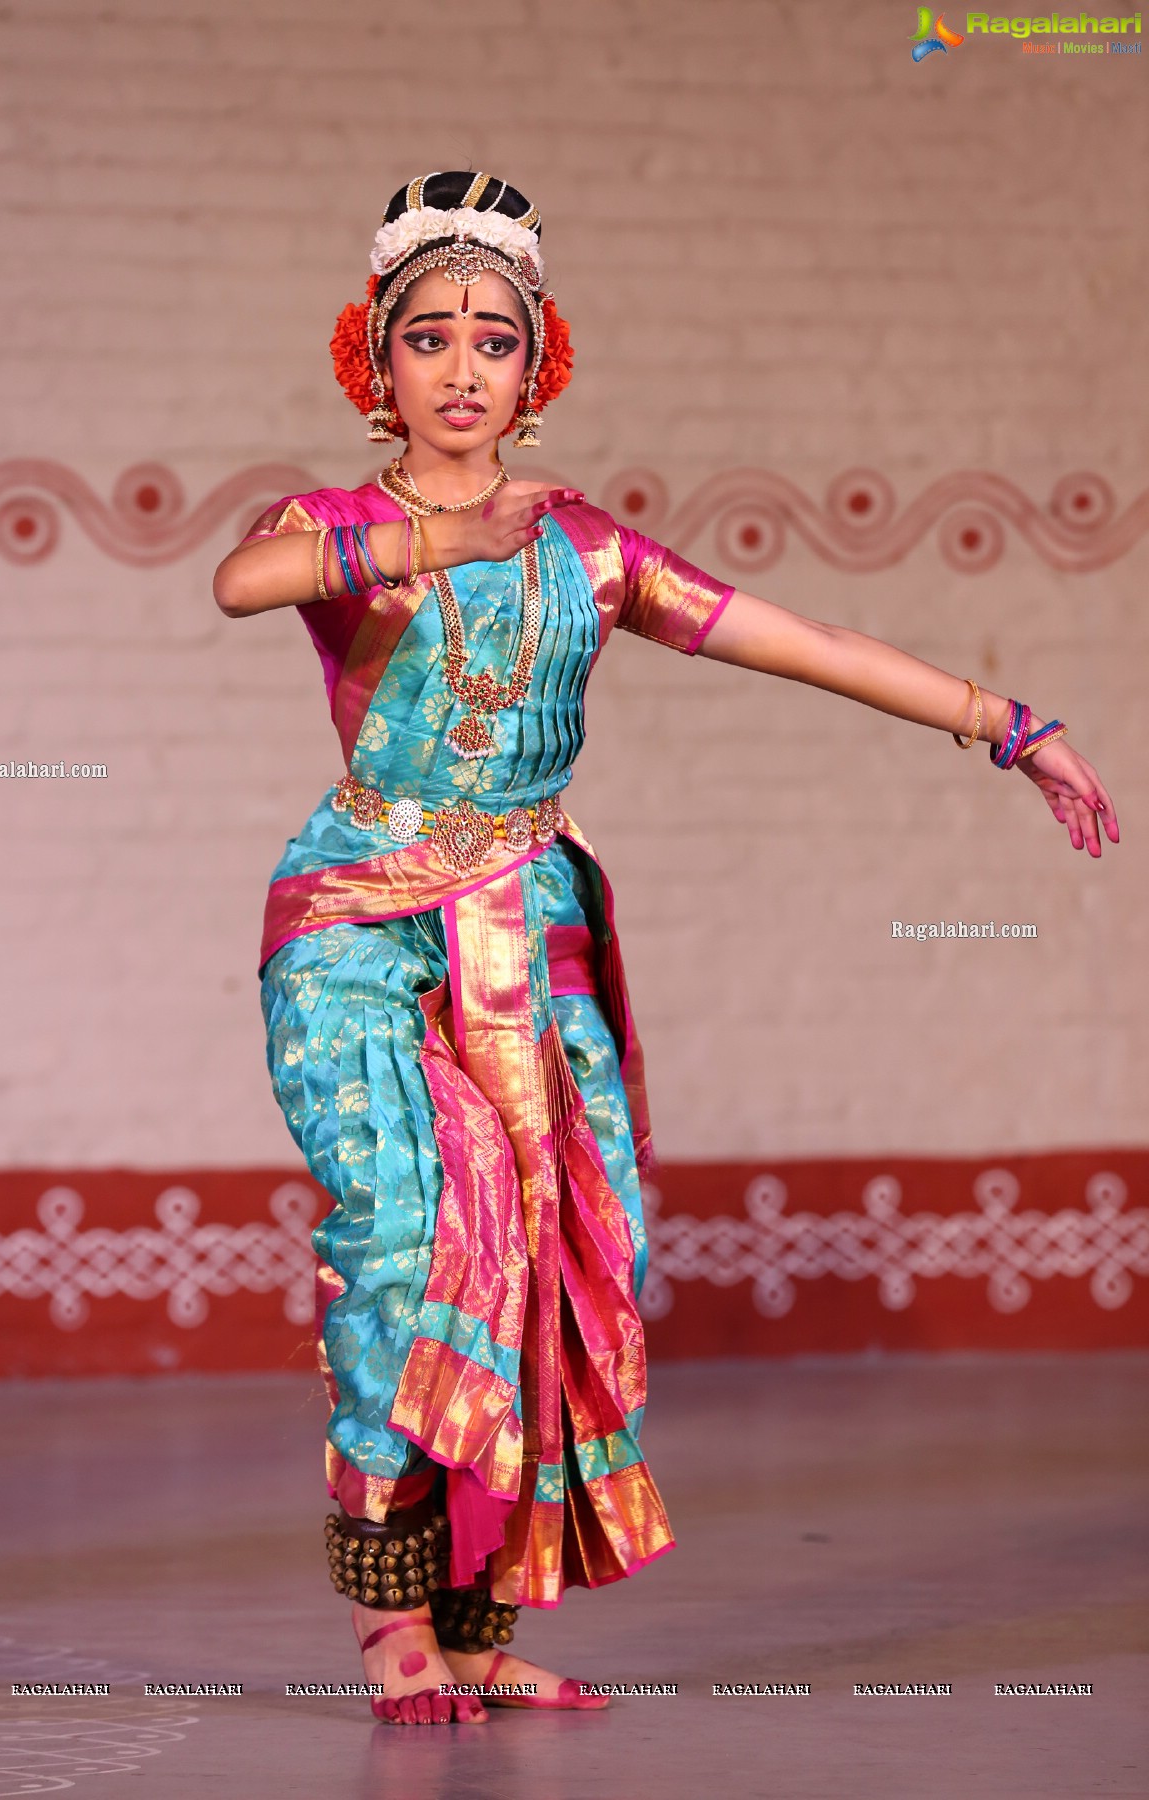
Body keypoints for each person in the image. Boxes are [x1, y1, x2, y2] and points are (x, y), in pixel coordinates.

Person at [212, 170, 1118, 1726]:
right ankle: (390, 1625)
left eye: (493, 340)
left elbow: (804, 645)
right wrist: (435, 544)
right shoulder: (341, 526)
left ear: (535, 366)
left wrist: (1007, 728)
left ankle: (482, 1629)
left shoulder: (591, 551)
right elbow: (243, 581)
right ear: (378, 361)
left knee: (551, 1260)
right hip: (362, 919)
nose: (461, 368)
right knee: (407, 1232)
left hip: (531, 928)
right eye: (427, 338)